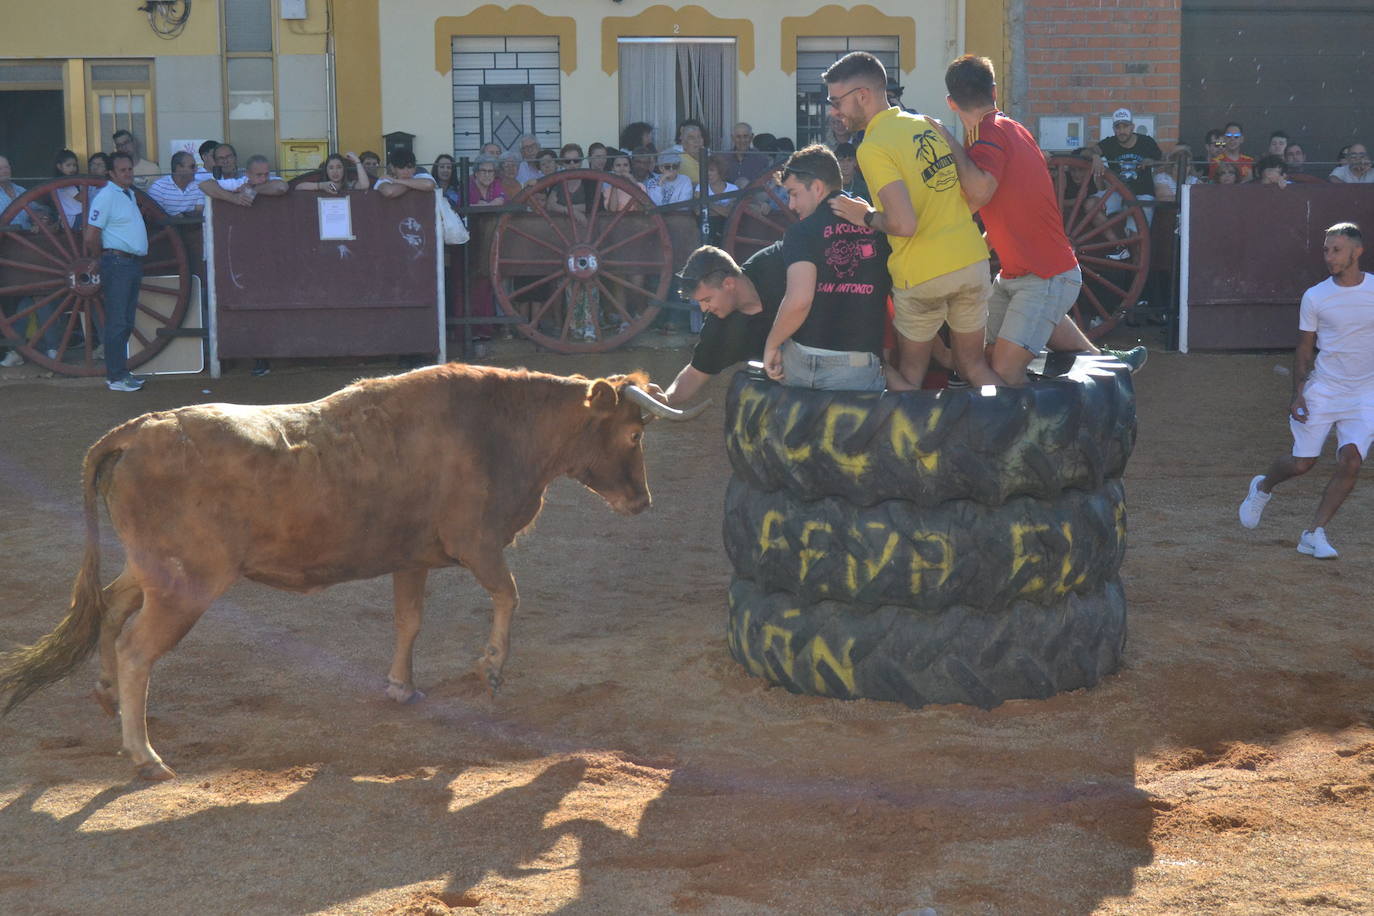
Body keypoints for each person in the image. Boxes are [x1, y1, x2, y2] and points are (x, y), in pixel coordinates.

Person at [936, 55, 1145, 385]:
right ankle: (1106, 362)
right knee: (982, 358)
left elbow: (977, 194)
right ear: (994, 90)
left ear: (950, 102)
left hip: (1044, 274)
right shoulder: (1013, 128)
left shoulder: (986, 134)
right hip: (1022, 273)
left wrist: (949, 143)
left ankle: (1046, 430)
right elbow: (1010, 206)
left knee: (1003, 372)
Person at [823, 50, 1001, 389]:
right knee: (974, 367)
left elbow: (905, 225)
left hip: (922, 275)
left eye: (836, 100)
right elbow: (971, 193)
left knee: (909, 377)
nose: (834, 110)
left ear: (863, 95)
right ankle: (1020, 427)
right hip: (970, 261)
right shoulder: (925, 124)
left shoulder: (873, 146)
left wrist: (866, 216)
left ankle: (908, 443)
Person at [1239, 222, 1374, 559]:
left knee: (1352, 461)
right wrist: (1298, 392)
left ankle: (1313, 533)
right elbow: (1303, 348)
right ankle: (1263, 486)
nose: (1329, 257)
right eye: (1326, 250)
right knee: (1302, 464)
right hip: (1324, 389)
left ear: (1357, 252)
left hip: (1364, 394)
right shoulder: (1315, 296)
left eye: (1337, 250)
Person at [760, 145, 890, 391]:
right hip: (857, 366)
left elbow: (799, 300)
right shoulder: (879, 228)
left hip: (800, 359)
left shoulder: (801, 232)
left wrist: (772, 345)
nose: (791, 204)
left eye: (794, 193)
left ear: (817, 187)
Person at [653, 244, 784, 407]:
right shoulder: (718, 325)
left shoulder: (775, 262)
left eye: (707, 300)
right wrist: (666, 399)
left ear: (728, 284)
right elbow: (695, 373)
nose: (704, 308)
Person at [82, 152, 148, 391]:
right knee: (118, 321)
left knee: (125, 321)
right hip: (118, 263)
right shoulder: (107, 196)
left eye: (130, 169)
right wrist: (99, 257)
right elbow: (91, 234)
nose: (128, 173)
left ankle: (121, 372)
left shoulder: (127, 194)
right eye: (122, 170)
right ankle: (115, 377)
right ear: (111, 173)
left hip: (129, 263)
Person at [1089, 108, 1163, 228]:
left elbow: (1162, 159)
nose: (1122, 131)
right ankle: (1117, 243)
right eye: (1118, 127)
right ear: (1114, 129)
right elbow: (1089, 151)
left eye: (1125, 126)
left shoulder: (1147, 142)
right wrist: (1095, 156)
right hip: (1118, 193)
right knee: (1091, 205)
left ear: (1132, 127)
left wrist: (1151, 161)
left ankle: (1126, 243)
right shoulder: (1109, 143)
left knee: (1137, 233)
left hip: (1142, 194)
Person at [148, 151, 206, 215]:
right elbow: (155, 216)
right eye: (192, 166)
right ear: (178, 168)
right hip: (166, 224)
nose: (196, 169)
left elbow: (199, 212)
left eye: (196, 166)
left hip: (192, 224)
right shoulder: (158, 187)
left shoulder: (199, 185)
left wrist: (182, 217)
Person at [294, 151, 370, 193]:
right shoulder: (322, 183)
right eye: (331, 168)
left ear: (344, 169)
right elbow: (299, 187)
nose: (335, 172)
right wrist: (321, 186)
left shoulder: (349, 184)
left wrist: (357, 161)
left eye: (339, 167)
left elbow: (364, 185)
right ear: (326, 170)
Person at [725, 121, 767, 187]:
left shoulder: (761, 159)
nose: (742, 140)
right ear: (732, 138)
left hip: (753, 195)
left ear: (751, 137)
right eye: (738, 137)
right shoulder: (723, 158)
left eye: (745, 136)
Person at [667, 119, 707, 185]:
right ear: (683, 142)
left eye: (699, 137)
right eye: (691, 138)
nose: (697, 141)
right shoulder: (676, 159)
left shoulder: (707, 157)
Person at [53, 148, 84, 226]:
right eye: (68, 165)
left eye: (74, 165)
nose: (72, 168)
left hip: (77, 217)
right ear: (59, 166)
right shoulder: (64, 184)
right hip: (73, 218)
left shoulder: (71, 181)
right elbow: (81, 198)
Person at [0, 154, 30, 230]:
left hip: (28, 238)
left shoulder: (21, 190)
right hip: (4, 240)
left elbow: (37, 210)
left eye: (6, 167)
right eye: (0, 168)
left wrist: (42, 217)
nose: (5, 171)